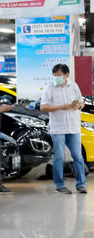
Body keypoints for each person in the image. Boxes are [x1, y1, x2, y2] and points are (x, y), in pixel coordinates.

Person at [40, 63, 87, 194]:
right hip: (58, 128)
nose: (56, 77)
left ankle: (81, 184)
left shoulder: (74, 86)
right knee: (59, 157)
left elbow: (82, 102)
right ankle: (60, 184)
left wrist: (79, 106)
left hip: (73, 127)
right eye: (54, 75)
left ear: (66, 75)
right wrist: (61, 107)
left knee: (78, 156)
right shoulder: (49, 88)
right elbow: (43, 107)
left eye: (59, 75)